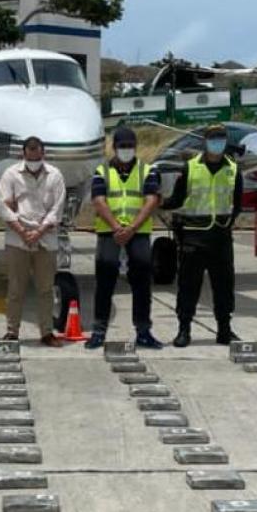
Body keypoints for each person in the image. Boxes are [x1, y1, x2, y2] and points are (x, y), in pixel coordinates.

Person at [163, 122, 244, 347]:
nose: (217, 142)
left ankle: (224, 330)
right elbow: (177, 199)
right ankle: (184, 329)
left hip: (221, 237)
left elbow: (237, 203)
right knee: (188, 286)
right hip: (193, 237)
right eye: (213, 138)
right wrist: (158, 201)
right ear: (205, 141)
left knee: (225, 286)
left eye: (221, 137)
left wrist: (226, 223)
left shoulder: (234, 169)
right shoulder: (190, 167)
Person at [87, 127, 165, 350]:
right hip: (109, 231)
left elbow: (151, 200)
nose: (126, 150)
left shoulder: (146, 170)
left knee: (142, 279)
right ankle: (99, 330)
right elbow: (99, 201)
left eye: (130, 146)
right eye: (122, 146)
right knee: (105, 277)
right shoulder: (102, 171)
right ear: (114, 148)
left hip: (137, 231)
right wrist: (116, 227)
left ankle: (143, 331)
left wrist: (130, 228)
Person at [0, 136, 66, 347]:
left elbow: (58, 208)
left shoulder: (55, 176)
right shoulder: (11, 175)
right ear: (24, 154)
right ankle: (12, 331)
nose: (34, 158)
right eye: (30, 154)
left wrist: (39, 231)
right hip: (17, 240)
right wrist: (22, 231)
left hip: (45, 238)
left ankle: (47, 332)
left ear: (43, 154)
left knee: (46, 289)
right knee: (15, 288)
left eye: (38, 154)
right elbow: (4, 207)